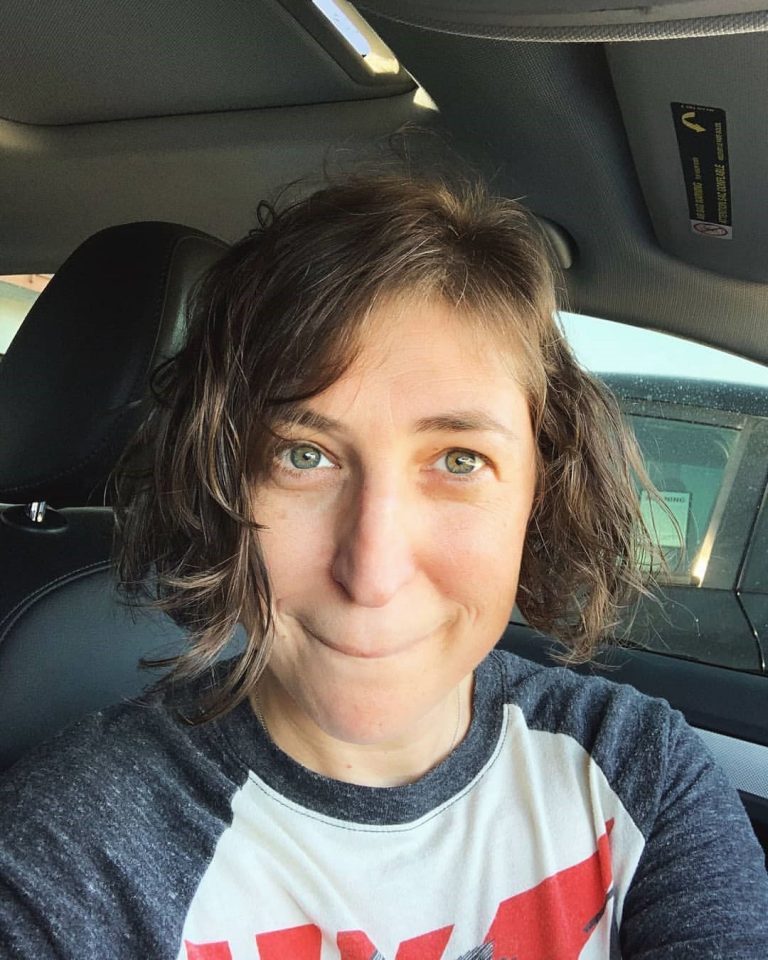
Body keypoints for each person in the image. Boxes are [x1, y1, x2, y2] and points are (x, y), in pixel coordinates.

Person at [1, 176, 767, 960]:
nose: (372, 572)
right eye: (304, 456)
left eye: (458, 460)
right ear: (221, 486)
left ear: (538, 495)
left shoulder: (637, 769)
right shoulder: (72, 855)